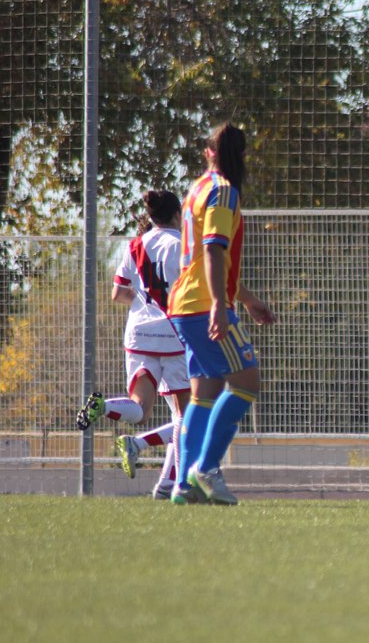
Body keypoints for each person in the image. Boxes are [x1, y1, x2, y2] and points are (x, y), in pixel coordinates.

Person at [167, 122, 276, 505]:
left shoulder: (196, 188)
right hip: (204, 304)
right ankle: (206, 468)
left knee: (204, 392)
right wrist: (220, 303)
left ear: (208, 152)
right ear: (240, 156)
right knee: (247, 383)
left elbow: (204, 258)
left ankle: (182, 484)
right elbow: (213, 250)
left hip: (184, 304)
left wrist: (243, 298)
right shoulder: (223, 191)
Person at [75, 190, 191, 500]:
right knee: (186, 416)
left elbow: (119, 293)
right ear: (177, 215)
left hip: (138, 336)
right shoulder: (180, 244)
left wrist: (144, 303)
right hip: (174, 336)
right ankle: (177, 487)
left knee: (139, 410)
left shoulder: (136, 245)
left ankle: (106, 406)